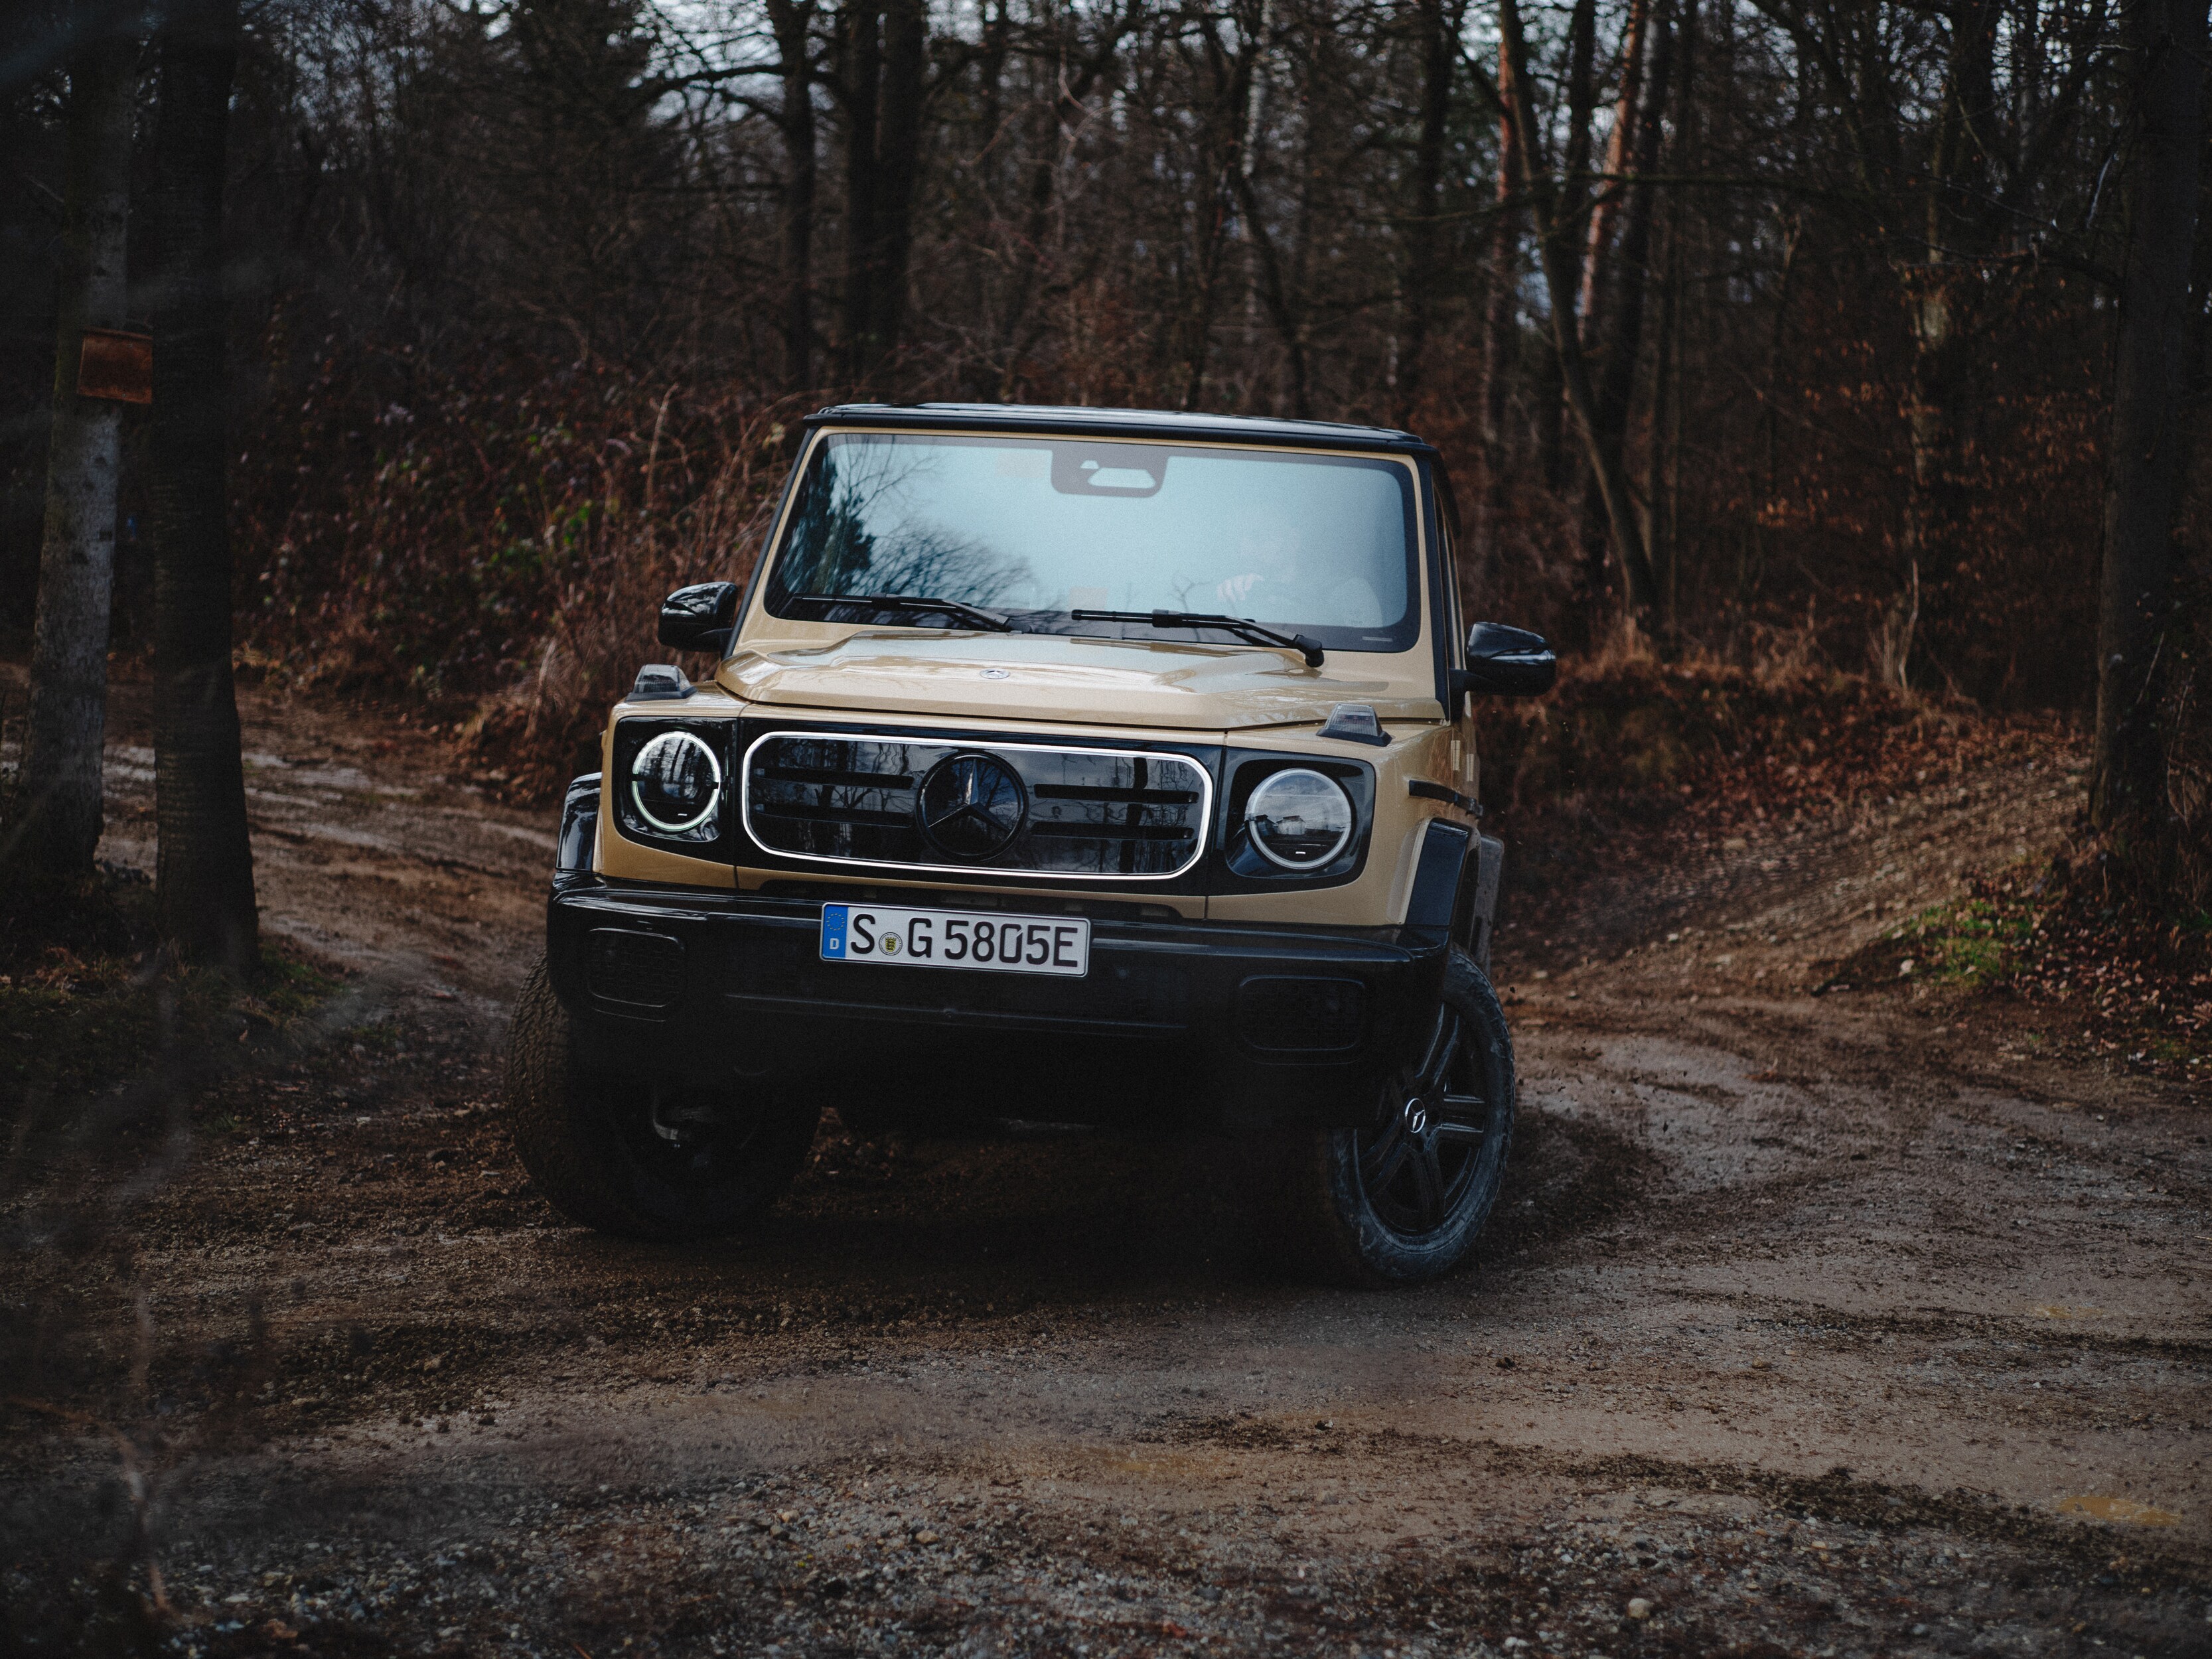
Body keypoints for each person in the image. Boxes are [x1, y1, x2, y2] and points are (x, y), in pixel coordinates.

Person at [1214, 504, 1384, 626]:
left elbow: (1360, 659)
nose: (1244, 550)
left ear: (1293, 540)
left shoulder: (1346, 591)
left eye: (1260, 536)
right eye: (1238, 539)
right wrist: (1229, 598)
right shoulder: (1232, 592)